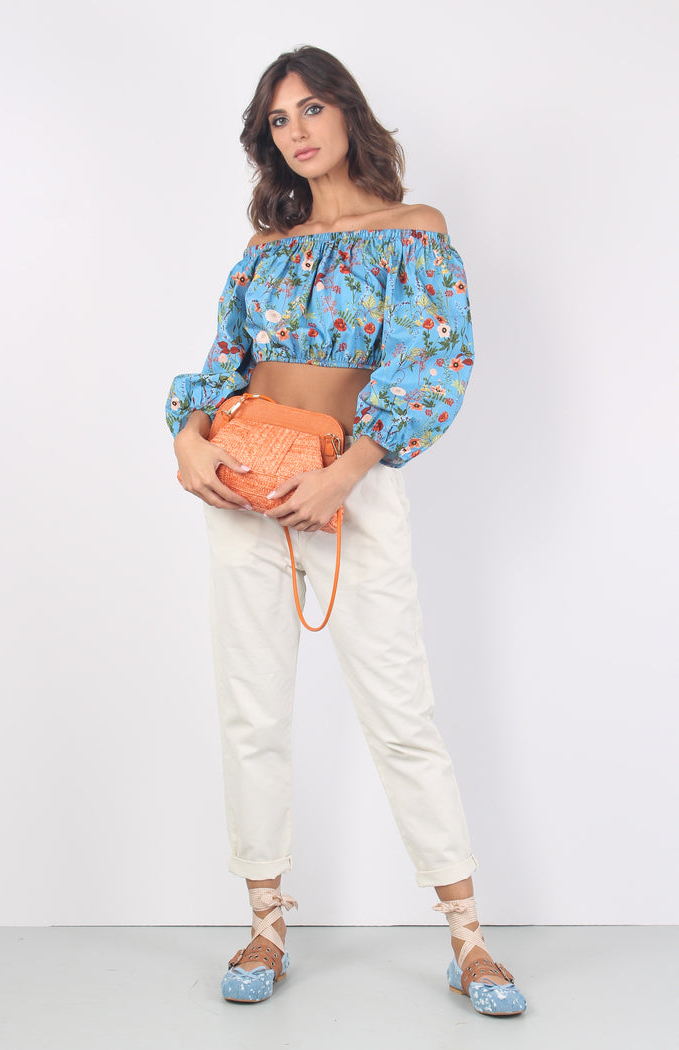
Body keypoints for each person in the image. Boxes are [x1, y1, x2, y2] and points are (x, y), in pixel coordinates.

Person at [165, 45, 527, 1017]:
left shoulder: (413, 232)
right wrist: (188, 438)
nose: (297, 130)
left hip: (350, 487)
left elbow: (431, 365)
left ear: (347, 113)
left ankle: (467, 938)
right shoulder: (264, 250)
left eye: (311, 108)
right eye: (278, 120)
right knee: (251, 711)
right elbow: (224, 362)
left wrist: (346, 472)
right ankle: (266, 923)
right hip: (244, 489)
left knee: (400, 710)